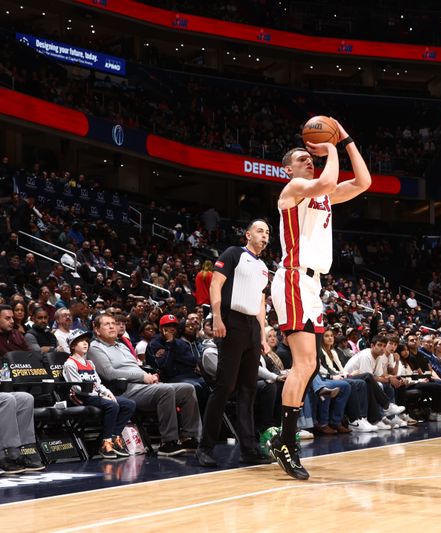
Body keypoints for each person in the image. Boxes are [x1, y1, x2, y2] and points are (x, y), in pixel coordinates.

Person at [268, 118, 371, 480]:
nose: (306, 161)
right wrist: (329, 149)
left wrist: (346, 139)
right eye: (300, 158)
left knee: (308, 366)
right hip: (294, 277)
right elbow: (326, 180)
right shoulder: (295, 188)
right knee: (304, 363)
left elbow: (364, 182)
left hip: (312, 285)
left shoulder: (322, 195)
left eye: (308, 158)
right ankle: (286, 442)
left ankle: (283, 439)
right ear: (287, 169)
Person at [196, 220, 271, 468]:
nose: (264, 235)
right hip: (231, 320)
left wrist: (261, 335)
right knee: (224, 387)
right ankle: (204, 448)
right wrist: (217, 316)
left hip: (251, 326)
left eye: (267, 232)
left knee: (249, 389)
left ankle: (249, 449)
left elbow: (261, 304)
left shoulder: (263, 267)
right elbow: (215, 284)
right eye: (260, 231)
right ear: (248, 234)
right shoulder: (233, 253)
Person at [88, 313, 201, 456]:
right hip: (123, 389)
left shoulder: (122, 346)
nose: (112, 326)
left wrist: (150, 376)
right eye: (106, 324)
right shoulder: (95, 348)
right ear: (97, 330)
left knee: (187, 389)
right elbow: (109, 374)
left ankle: (189, 437)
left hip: (143, 384)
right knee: (166, 390)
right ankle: (168, 442)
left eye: (113, 323)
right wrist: (143, 376)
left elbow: (135, 367)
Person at [62, 330, 135, 459]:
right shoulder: (70, 364)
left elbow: (98, 383)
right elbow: (77, 388)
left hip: (96, 395)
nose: (85, 343)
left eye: (86, 341)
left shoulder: (90, 363)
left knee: (129, 404)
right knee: (112, 406)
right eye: (80, 341)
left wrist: (107, 392)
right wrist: (100, 396)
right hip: (81, 397)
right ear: (72, 346)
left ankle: (114, 437)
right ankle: (105, 443)